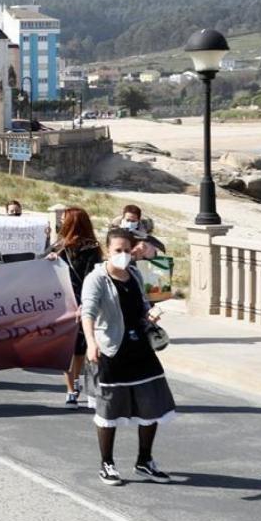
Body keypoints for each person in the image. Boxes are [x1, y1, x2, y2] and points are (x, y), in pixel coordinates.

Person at [81, 228, 175, 486]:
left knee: (152, 403)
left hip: (140, 347)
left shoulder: (134, 273)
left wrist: (151, 314)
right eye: (117, 250)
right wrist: (91, 343)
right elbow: (87, 312)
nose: (121, 255)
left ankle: (145, 461)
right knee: (110, 409)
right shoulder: (97, 279)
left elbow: (143, 304)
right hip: (111, 349)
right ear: (108, 250)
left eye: (125, 250)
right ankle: (107, 464)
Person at [46, 208, 103, 408]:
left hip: (82, 304)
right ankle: (70, 390)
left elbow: (91, 277)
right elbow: (42, 266)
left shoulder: (92, 249)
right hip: (62, 304)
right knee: (68, 349)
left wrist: (86, 305)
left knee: (80, 348)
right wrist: (49, 260)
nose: (61, 223)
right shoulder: (59, 247)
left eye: (64, 219)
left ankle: (76, 379)